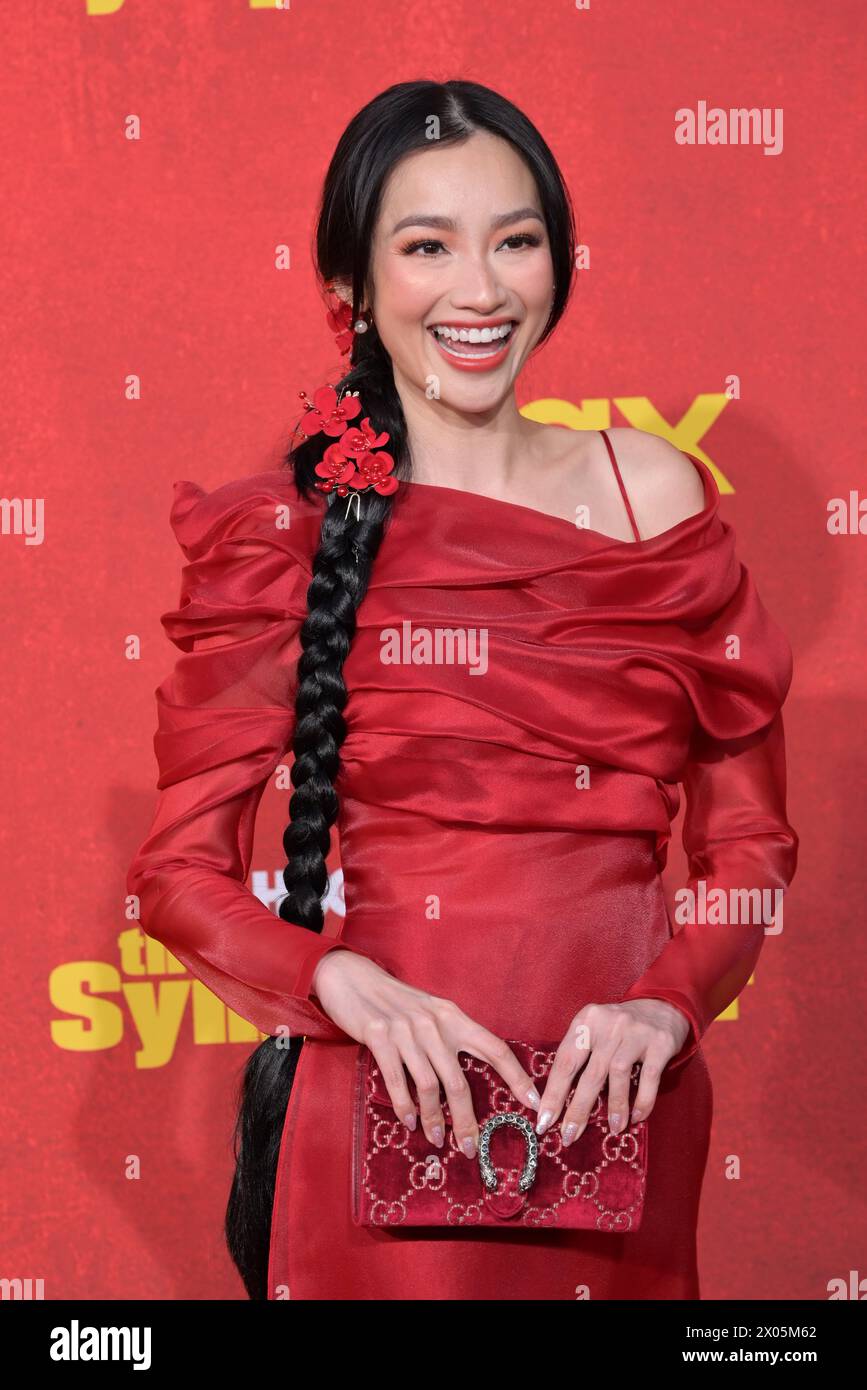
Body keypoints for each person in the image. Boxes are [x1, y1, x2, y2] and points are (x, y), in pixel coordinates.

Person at [126, 79, 798, 1301]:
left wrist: (671, 1004)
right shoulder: (289, 533)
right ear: (351, 291)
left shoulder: (659, 495)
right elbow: (178, 875)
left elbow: (750, 843)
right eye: (427, 245)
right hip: (377, 1103)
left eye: (517, 240)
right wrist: (333, 979)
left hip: (624, 1115)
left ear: (558, 260)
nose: (481, 290)